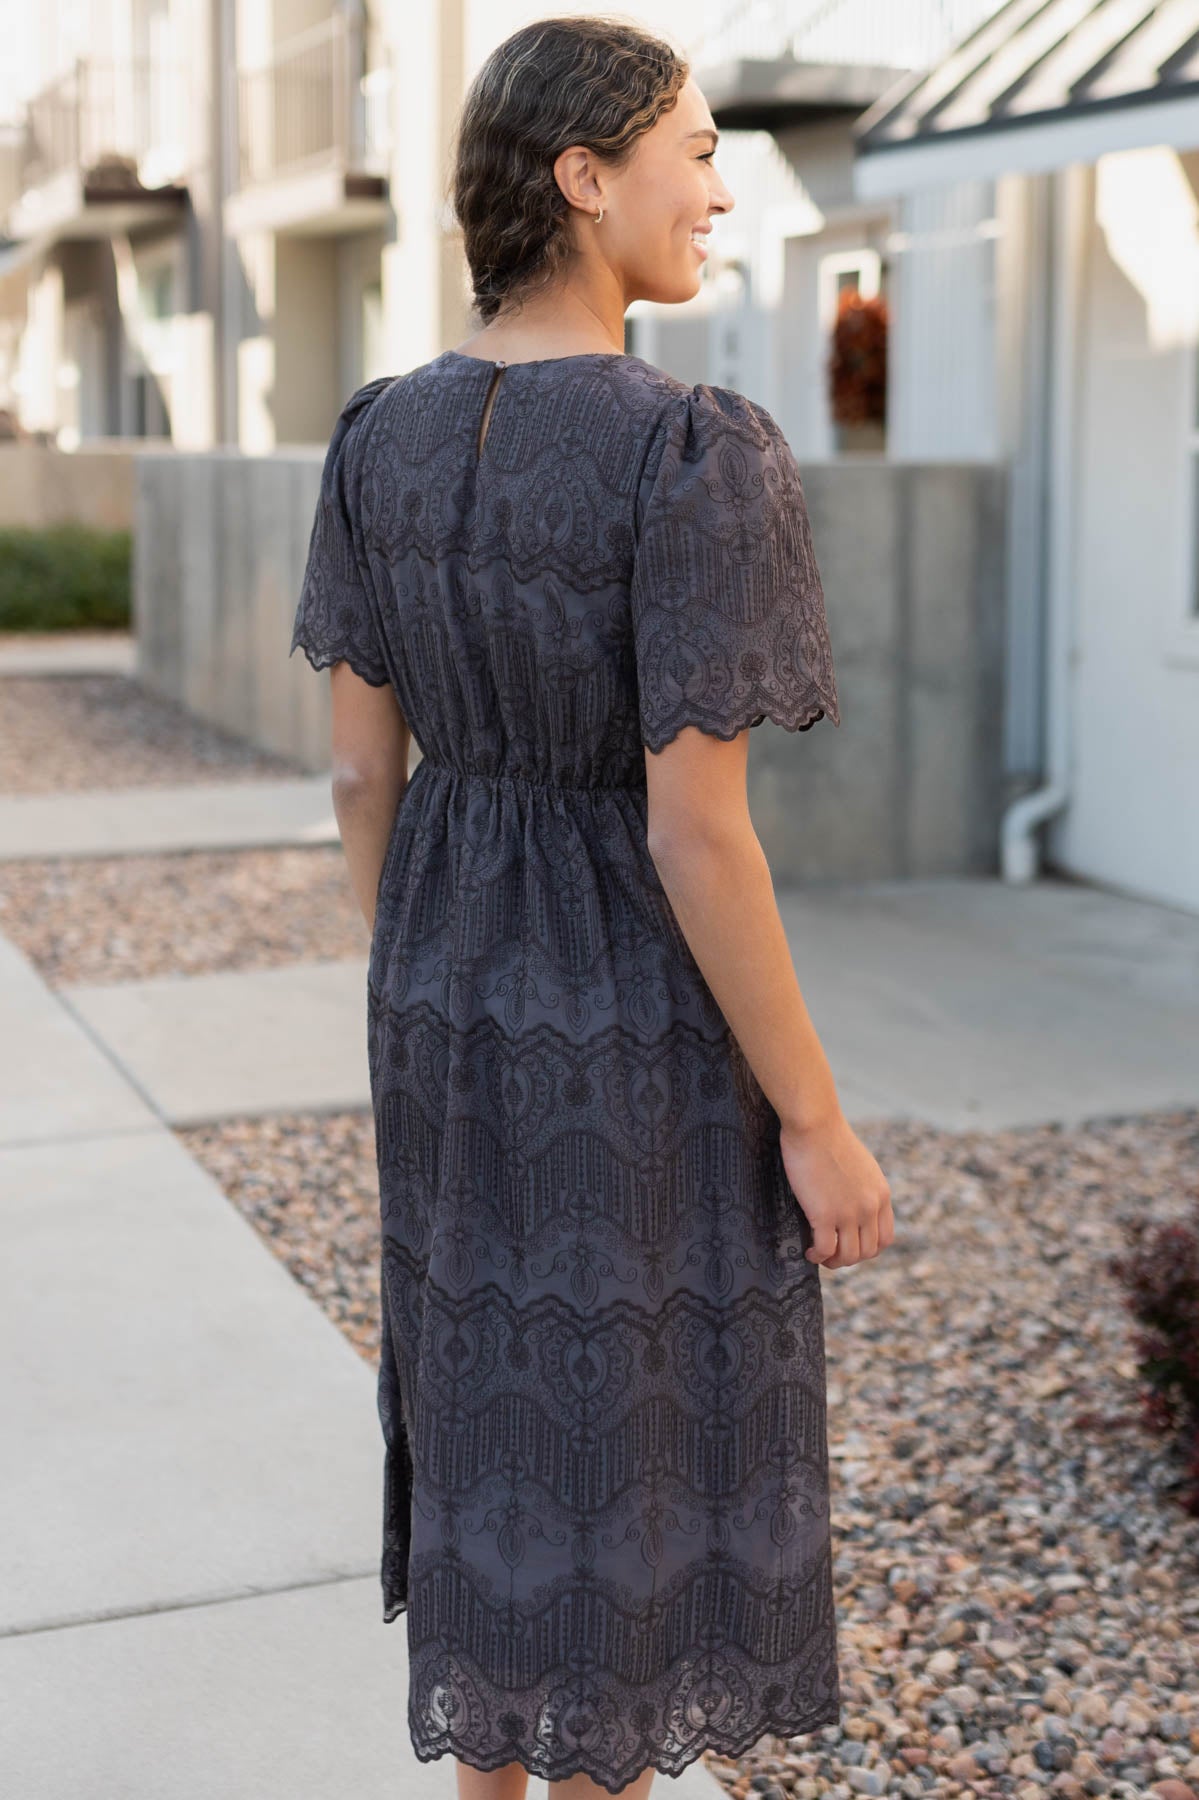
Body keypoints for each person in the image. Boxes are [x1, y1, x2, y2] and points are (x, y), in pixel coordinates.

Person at [289, 16, 894, 1798]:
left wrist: (424, 961)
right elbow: (695, 832)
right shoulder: (689, 452)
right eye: (695, 151)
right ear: (583, 175)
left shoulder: (376, 436)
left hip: (441, 997)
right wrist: (818, 1116)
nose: (718, 187)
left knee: (490, 1434)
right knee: (622, 1474)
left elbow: (352, 775)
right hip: (629, 1021)